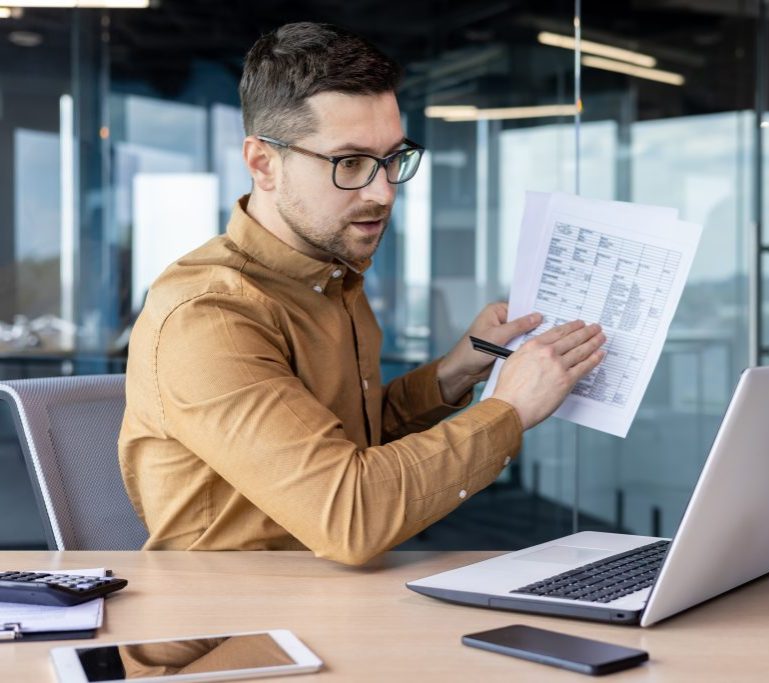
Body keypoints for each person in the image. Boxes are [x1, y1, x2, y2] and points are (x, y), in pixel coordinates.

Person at [118, 22, 605, 565]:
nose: (383, 191)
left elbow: (347, 436)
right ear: (263, 163)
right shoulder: (209, 317)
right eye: (349, 163)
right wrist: (508, 408)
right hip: (236, 622)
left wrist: (458, 370)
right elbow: (352, 514)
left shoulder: (331, 273)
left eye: (394, 158)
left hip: (339, 598)